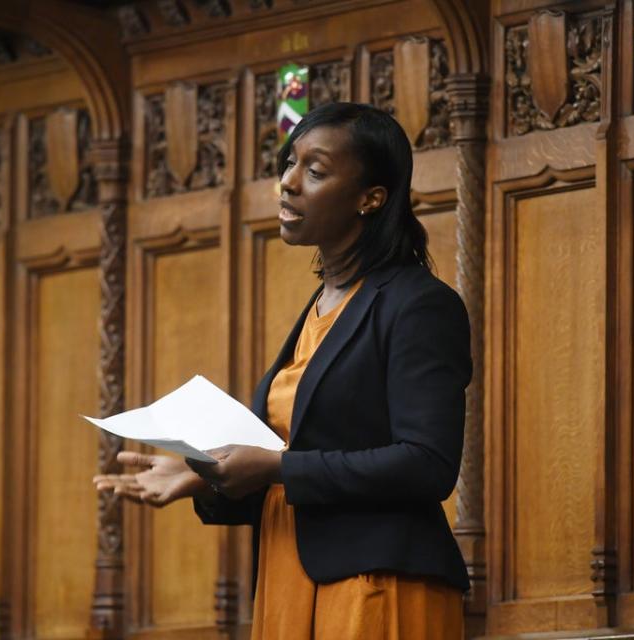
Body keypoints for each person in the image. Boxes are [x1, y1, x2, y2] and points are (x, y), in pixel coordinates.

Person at [94, 102, 471, 639]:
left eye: (314, 172)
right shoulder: (325, 301)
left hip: (375, 584)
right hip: (287, 573)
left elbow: (427, 464)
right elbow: (301, 451)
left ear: (372, 198)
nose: (287, 185)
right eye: (288, 165)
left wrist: (276, 468)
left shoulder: (418, 305)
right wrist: (204, 474)